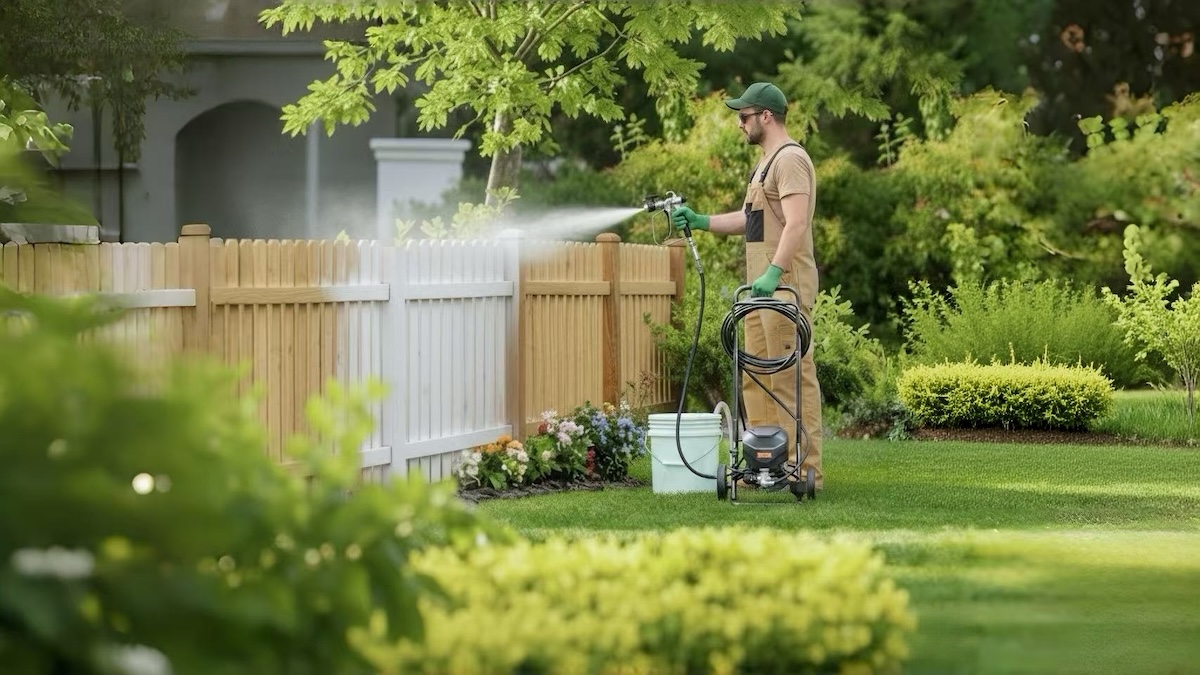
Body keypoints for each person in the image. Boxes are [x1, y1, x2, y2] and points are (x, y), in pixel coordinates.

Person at [670, 81, 824, 490]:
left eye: (744, 117)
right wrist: (702, 221)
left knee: (790, 377)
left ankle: (802, 470)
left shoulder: (790, 160)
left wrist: (774, 272)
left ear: (766, 117)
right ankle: (765, 467)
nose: (740, 124)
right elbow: (748, 219)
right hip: (759, 291)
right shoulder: (764, 164)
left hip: (783, 286)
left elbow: (796, 223)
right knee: (756, 377)